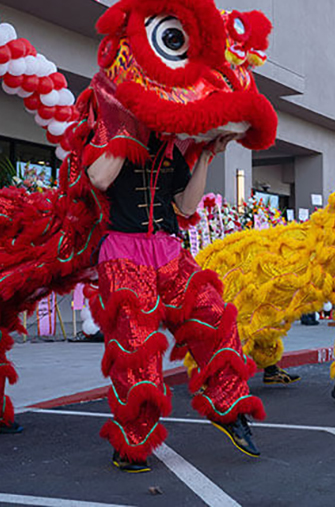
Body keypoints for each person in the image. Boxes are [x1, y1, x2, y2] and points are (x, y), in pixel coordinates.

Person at [87, 134, 265, 471]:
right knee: (137, 349)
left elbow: (185, 206)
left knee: (214, 314)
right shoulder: (107, 133)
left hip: (168, 250)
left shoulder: (170, 148)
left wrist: (206, 155)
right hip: (123, 254)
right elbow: (99, 178)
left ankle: (229, 408)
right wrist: (127, 131)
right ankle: (131, 442)